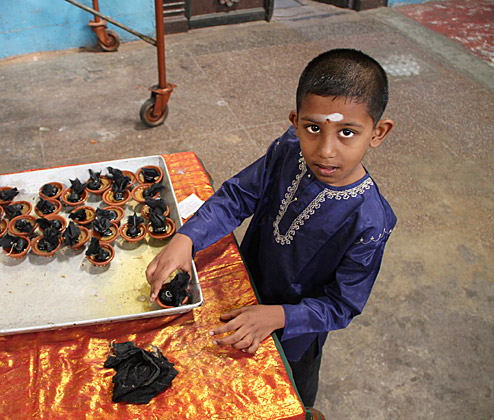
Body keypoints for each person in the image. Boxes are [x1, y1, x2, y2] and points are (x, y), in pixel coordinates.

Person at [145, 48, 397, 408]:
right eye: (313, 128)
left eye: (347, 132)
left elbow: (342, 305)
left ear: (378, 132)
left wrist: (278, 316)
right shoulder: (289, 149)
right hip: (245, 291)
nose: (326, 150)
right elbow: (237, 196)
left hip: (295, 332)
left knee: (290, 395)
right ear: (295, 121)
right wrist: (186, 238)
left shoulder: (369, 220)